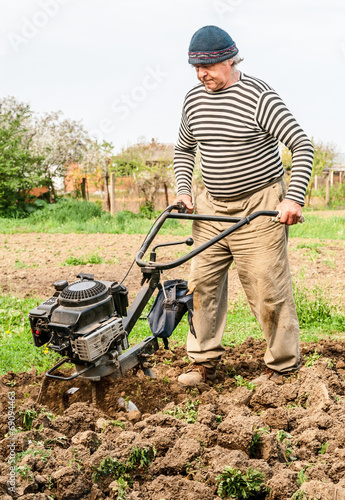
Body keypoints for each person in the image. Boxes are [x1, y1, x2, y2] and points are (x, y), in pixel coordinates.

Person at [173, 25, 314, 387]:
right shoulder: (193, 99)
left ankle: (282, 367)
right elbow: (185, 148)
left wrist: (293, 197)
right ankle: (202, 361)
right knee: (200, 286)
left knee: (268, 287)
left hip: (260, 204)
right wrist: (185, 190)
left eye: (210, 66)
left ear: (231, 59)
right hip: (211, 206)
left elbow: (301, 145)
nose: (202, 74)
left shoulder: (259, 96)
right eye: (196, 68)